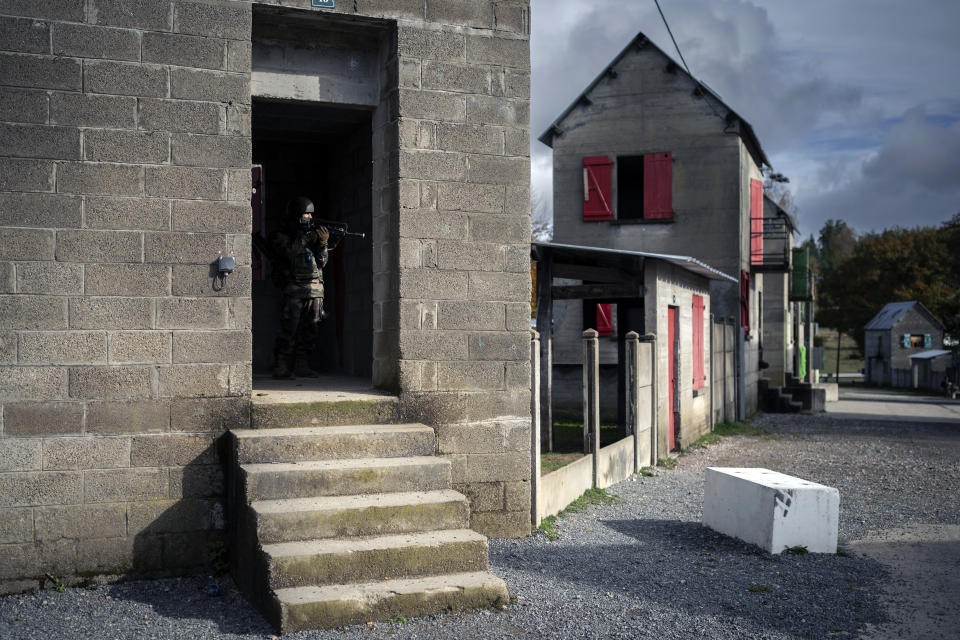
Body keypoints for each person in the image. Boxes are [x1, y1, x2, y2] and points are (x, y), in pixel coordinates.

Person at [269, 196, 340, 379]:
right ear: (296, 215)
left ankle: (302, 365)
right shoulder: (283, 235)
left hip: (315, 291)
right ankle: (281, 366)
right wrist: (306, 238)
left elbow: (322, 263)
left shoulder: (314, 235)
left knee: (311, 331)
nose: (309, 217)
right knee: (289, 330)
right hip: (294, 290)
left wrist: (323, 243)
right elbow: (287, 252)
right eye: (305, 213)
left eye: (311, 214)